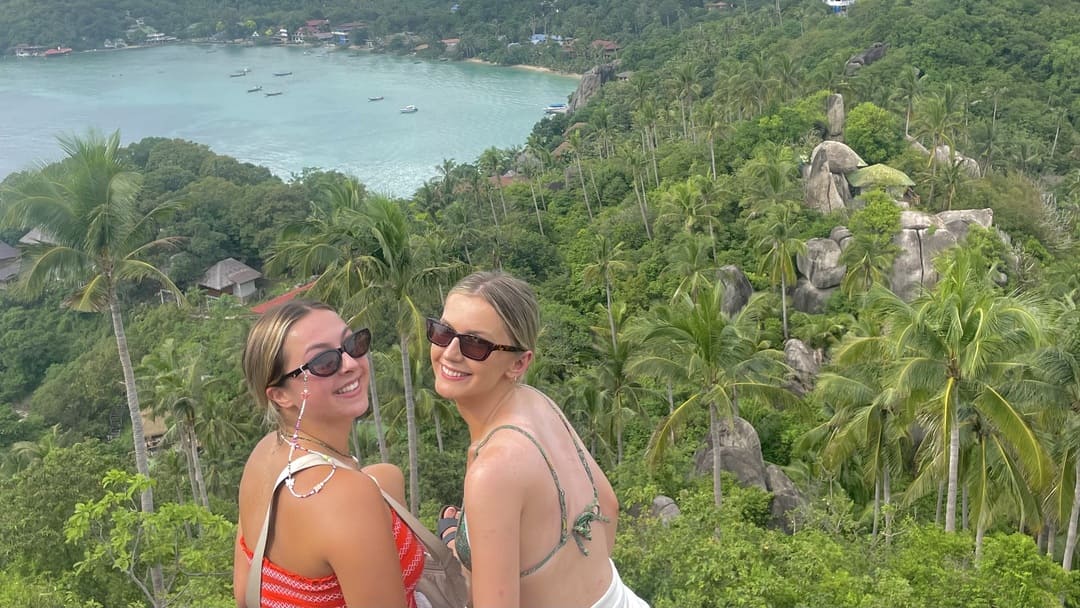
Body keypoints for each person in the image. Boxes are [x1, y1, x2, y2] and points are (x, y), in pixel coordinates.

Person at [428, 271, 649, 608]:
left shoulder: (494, 469)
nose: (451, 352)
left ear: (518, 363)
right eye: (443, 332)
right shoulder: (536, 402)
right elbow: (607, 505)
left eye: (476, 344)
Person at [234, 300, 425, 608]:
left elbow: (245, 593)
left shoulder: (265, 454)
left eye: (353, 343)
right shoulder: (348, 497)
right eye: (324, 362)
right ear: (280, 395)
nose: (350, 363)